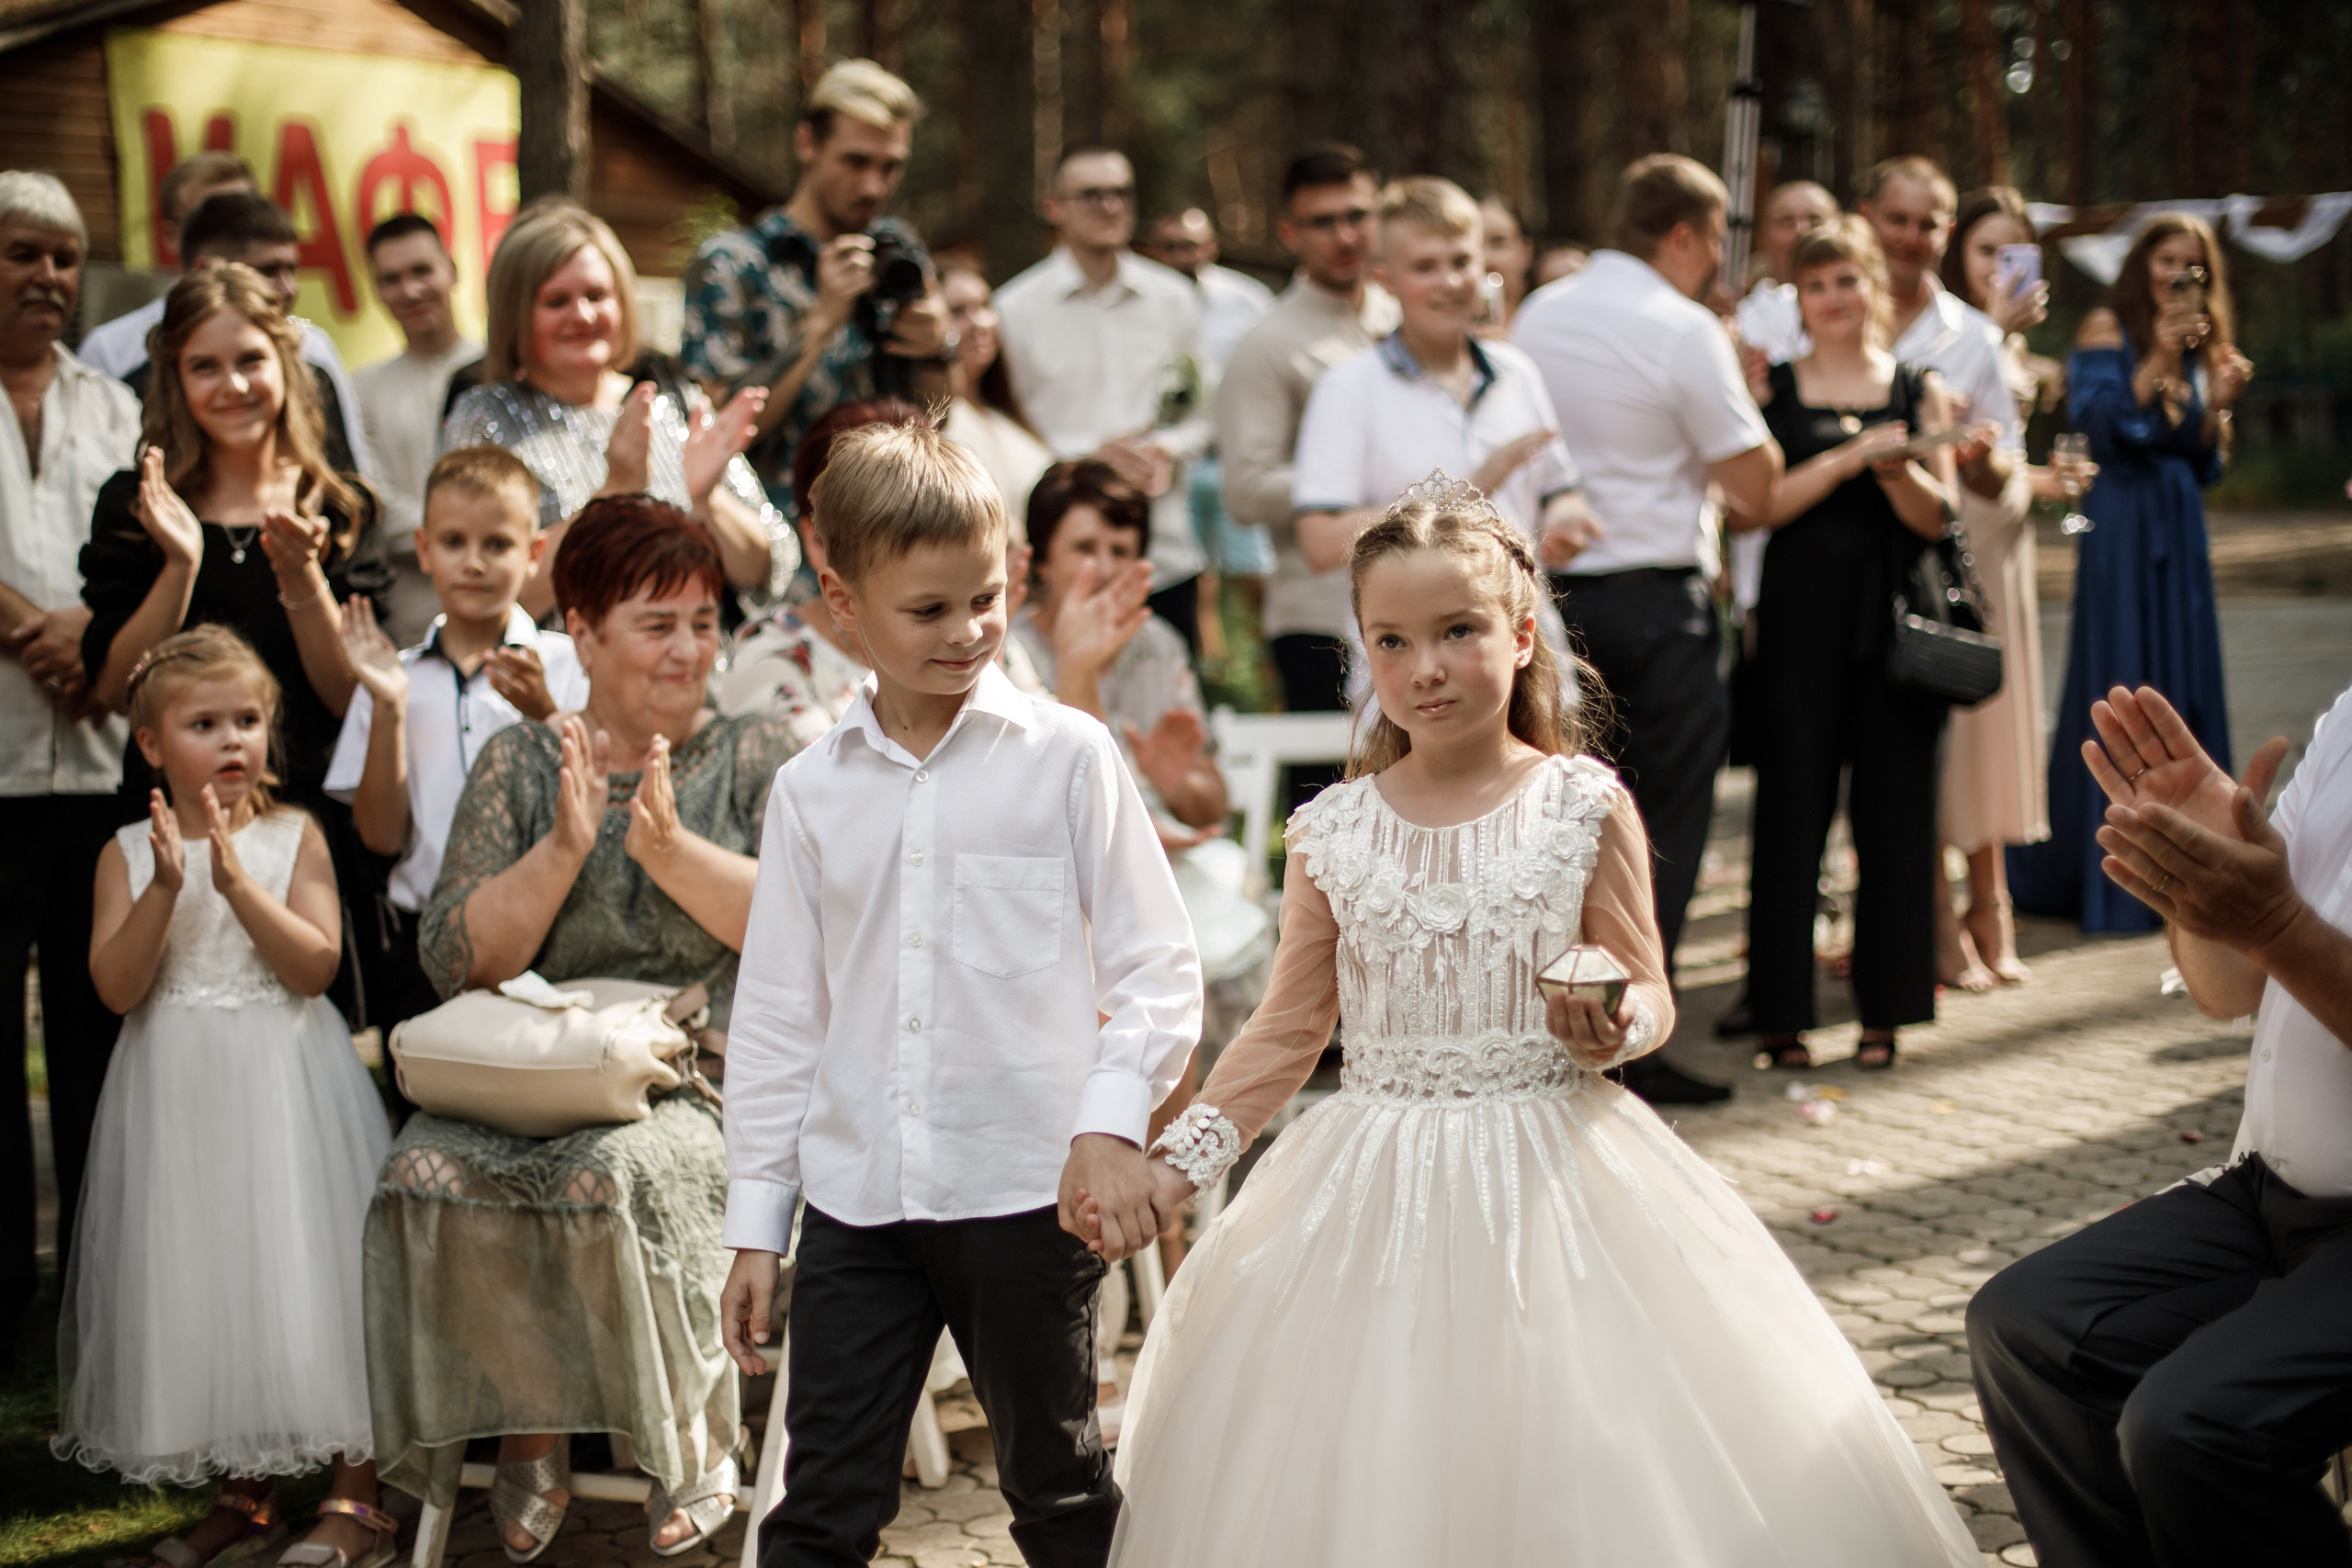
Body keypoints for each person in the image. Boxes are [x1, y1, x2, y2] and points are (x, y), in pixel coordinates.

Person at [1103, 479, 1978, 1568]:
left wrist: (1613, 1023)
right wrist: (1177, 1166)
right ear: (1364, 653)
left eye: (1458, 631)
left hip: (1555, 1168)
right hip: (1377, 1185)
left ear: (1521, 638)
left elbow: (1648, 989)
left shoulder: (1580, 802)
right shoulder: (1332, 832)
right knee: (1386, 1451)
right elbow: (1287, 1028)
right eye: (1392, 641)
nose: (1425, 668)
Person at [715, 418, 1202, 1567]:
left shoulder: (1069, 758)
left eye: (985, 599)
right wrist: (756, 1225)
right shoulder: (809, 793)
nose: (968, 631)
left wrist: (1106, 1126)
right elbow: (780, 1016)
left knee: (1059, 1489)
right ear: (845, 605)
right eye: (928, 609)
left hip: (1026, 1195)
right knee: (820, 1507)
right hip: (858, 1209)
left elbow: (1156, 969)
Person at [365, 497, 797, 1554]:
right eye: (658, 624)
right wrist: (562, 851)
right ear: (584, 634)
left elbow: (805, 934)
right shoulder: (522, 764)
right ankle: (532, 1420)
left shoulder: (756, 752)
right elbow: (455, 958)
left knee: (612, 1171)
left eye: (703, 623)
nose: (689, 649)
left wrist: (667, 853)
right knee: (420, 1169)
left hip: (695, 1078)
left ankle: (692, 1429)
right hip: (534, 1071)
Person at [1970, 681, 2352, 1568]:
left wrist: (2274, 923)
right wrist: (2196, 881)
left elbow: (2279, 933)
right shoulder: (2346, 720)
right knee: (2029, 1325)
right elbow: (2231, 985)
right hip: (2275, 1190)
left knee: (2192, 1425)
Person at [60, 625, 395, 1568]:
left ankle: (356, 1493)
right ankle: (247, 1497)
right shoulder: (127, 853)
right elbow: (117, 987)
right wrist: (168, 887)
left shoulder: (295, 837)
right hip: (179, 1102)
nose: (233, 739)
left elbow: (314, 969)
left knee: (308, 1274)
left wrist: (237, 882)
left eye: (248, 719)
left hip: (286, 1095)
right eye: (204, 723)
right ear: (152, 744)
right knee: (215, 1281)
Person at [1512, 153, 1784, 1104]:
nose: (1716, 262)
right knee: (1658, 825)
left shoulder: (1540, 313)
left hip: (1550, 604)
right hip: (1659, 607)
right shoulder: (1684, 328)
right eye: (1714, 241)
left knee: (1556, 824)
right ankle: (1629, 1035)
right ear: (1682, 235)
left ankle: (1545, 1020)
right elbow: (1756, 488)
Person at [1734, 217, 1962, 1073]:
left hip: (1896, 625)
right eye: (1817, 285)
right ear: (1800, 298)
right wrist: (1846, 458)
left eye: (1848, 280)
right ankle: (1780, 1016)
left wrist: (1898, 468)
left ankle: (1886, 1012)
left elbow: (1939, 519)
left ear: (1874, 286)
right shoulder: (1776, 389)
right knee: (1790, 811)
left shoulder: (1916, 385)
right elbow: (1755, 508)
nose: (1834, 298)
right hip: (1800, 625)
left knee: (1897, 815)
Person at [2008, 215, 2251, 935]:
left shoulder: (2206, 342)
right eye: (2166, 258)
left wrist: (2219, 401)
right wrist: (2163, 355)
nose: (2177, 273)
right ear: (2142, 264)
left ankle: (2195, 867)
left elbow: (2202, 461)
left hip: (2179, 523)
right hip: (2120, 523)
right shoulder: (2106, 329)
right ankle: (2112, 876)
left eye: (2191, 264)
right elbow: (2100, 425)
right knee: (2122, 673)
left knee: (2183, 680)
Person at [81, 265, 390, 818]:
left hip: (308, 815)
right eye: (205, 366)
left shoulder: (340, 508)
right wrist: (180, 566)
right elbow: (115, 692)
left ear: (286, 364)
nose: (235, 386)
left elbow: (350, 699)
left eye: (251, 360)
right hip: (174, 816)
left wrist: (301, 576)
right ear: (175, 378)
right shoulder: (137, 505)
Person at [0, 171, 140, 1351]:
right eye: (21, 254)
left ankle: (95, 1292)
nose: (47, 276)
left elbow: (142, 549)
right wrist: (30, 630)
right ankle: (2, 1290)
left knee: (97, 1036)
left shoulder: (113, 405)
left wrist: (89, 638)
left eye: (62, 257)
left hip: (100, 763)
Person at [324, 445, 587, 1044]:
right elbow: (380, 838)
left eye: (497, 544)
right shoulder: (393, 678)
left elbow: (601, 792)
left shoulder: (569, 664)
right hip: (422, 943)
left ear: (534, 553)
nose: (474, 563)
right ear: (422, 549)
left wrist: (547, 713)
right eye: (453, 542)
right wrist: (390, 706)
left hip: (551, 931)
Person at [1291, 176, 1593, 667]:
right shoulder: (1348, 388)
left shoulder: (1517, 372)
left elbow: (1561, 492)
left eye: (1461, 261)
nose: (1450, 282)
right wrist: (1465, 492)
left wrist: (1566, 522)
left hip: (1531, 661)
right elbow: (1319, 542)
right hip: (1412, 678)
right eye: (1425, 267)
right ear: (1385, 278)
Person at [442, 203, 790, 623]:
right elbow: (484, 598)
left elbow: (771, 570)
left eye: (597, 296)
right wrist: (611, 495)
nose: (583, 315)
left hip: (695, 659)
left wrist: (707, 500)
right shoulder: (484, 417)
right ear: (515, 312)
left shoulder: (672, 402)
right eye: (556, 301)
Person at [680, 58, 947, 515]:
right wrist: (821, 323)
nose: (873, 186)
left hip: (894, 525)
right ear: (807, 143)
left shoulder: (896, 253)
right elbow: (716, 429)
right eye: (855, 161)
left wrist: (939, 347)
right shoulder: (734, 264)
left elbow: (939, 415)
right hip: (775, 531)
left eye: (891, 167)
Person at [996, 148, 1214, 655]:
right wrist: (1089, 457)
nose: (1110, 206)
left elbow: (1207, 412)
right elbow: (1004, 425)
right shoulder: (1015, 309)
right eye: (1092, 194)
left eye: (1120, 193)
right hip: (1062, 557)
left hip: (1164, 552)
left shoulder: (1173, 298)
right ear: (1054, 206)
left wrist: (1167, 450)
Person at [1216, 142, 1396, 761]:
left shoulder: (1408, 321)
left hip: (1424, 603)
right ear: (1289, 233)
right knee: (1333, 799)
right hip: (1319, 617)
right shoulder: (1267, 344)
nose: (1345, 236)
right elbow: (1245, 490)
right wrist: (1365, 481)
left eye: (1358, 215)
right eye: (1323, 222)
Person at [1935, 185, 2055, 984]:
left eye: (2015, 253)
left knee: (1998, 721)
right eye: (1986, 251)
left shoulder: (2014, 344)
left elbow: (2011, 456)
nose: (2000, 268)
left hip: (2008, 541)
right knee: (1952, 723)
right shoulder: (1949, 330)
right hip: (1954, 535)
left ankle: (1992, 898)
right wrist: (1997, 331)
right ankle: (1942, 908)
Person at [106, 191, 372, 477]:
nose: (288, 288)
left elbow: (350, 482)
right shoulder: (132, 391)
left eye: (252, 360)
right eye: (204, 367)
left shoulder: (316, 369)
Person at [1136, 206, 1276, 651]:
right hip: (1171, 459)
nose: (1183, 255)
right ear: (1155, 251)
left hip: (1233, 454)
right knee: (1191, 572)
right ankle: (1211, 666)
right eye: (1171, 246)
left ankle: (1268, 657)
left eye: (1192, 245)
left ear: (1211, 246)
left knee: (1252, 566)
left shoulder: (1246, 301)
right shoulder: (1144, 303)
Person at [354, 214, 483, 646]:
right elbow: (375, 503)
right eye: (391, 279)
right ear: (377, 290)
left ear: (452, 270)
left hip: (509, 608)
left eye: (422, 270)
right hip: (411, 625)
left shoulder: (502, 371)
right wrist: (478, 536)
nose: (410, 291)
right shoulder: (362, 390)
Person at [73, 150, 254, 375]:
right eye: (209, 226)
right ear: (171, 234)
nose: (232, 239)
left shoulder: (292, 337)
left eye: (246, 221)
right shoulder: (111, 351)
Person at [938, 257, 1052, 530]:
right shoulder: (936, 421)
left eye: (985, 306)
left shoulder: (1004, 412)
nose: (979, 323)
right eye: (957, 312)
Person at [1733, 179, 1839, 366]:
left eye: (1815, 220)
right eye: (1786, 222)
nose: (1802, 231)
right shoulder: (1741, 322)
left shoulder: (1864, 310)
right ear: (1761, 239)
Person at [1476, 193, 1535, 333]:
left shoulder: (1546, 317)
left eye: (1498, 243)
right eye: (1475, 244)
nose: (1486, 258)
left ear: (1525, 252)